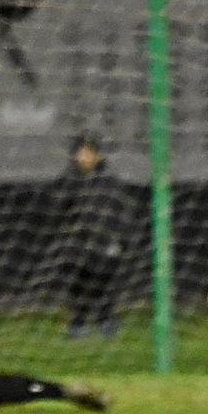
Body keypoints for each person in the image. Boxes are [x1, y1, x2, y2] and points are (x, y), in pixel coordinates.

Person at [55, 133, 144, 338]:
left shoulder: (109, 182)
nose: (82, 157)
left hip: (106, 243)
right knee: (78, 285)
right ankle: (79, 325)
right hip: (78, 244)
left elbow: (122, 212)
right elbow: (61, 209)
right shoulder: (70, 181)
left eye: (87, 153)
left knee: (105, 285)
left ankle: (107, 323)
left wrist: (120, 238)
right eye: (79, 154)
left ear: (98, 156)